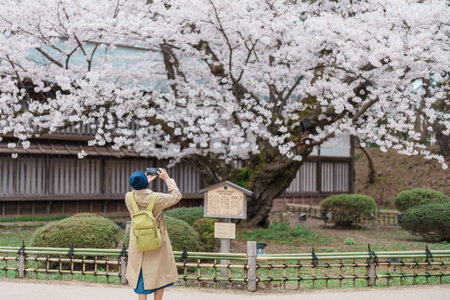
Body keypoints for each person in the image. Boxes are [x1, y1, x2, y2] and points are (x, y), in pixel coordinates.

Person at [125, 168, 182, 300]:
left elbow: (138, 192)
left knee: (140, 275)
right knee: (159, 273)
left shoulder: (129, 197)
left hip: (138, 241)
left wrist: (143, 183)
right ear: (146, 182)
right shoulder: (158, 198)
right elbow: (176, 196)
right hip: (157, 241)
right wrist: (167, 179)